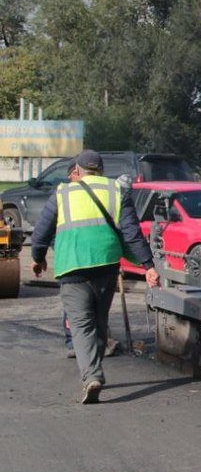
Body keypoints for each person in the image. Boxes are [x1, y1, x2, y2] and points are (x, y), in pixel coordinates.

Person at [30, 150, 160, 404]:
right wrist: (148, 265)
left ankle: (91, 376)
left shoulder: (62, 193)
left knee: (80, 325)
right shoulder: (116, 191)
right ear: (100, 170)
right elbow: (132, 234)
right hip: (106, 266)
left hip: (72, 267)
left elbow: (41, 231)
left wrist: (38, 257)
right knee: (99, 322)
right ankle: (94, 367)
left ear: (76, 171)